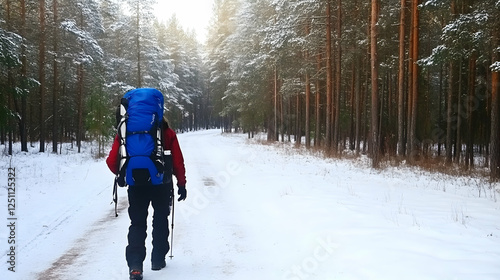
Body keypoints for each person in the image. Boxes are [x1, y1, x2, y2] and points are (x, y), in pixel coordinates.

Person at [106, 116, 187, 280]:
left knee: (137, 223)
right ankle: (158, 259)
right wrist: (181, 184)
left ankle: (135, 266)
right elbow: (177, 160)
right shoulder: (167, 132)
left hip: (136, 184)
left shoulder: (126, 132)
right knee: (160, 219)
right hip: (162, 183)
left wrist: (123, 175)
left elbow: (111, 160)